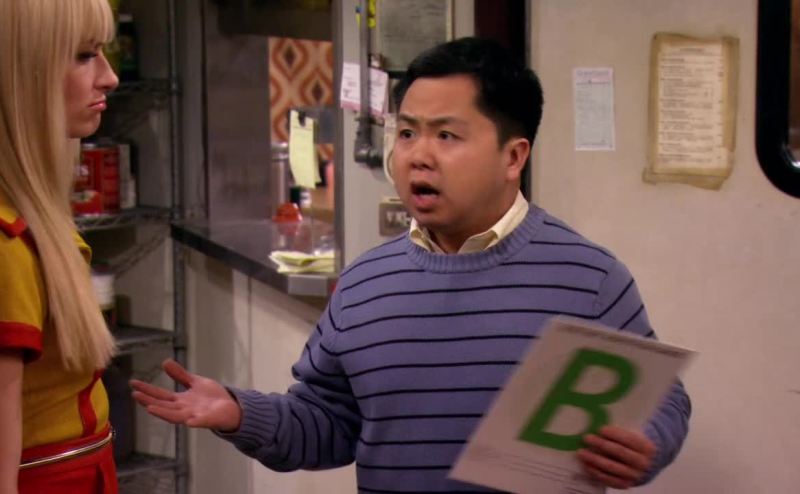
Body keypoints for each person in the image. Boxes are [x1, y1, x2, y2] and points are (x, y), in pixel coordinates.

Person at [131, 37, 691, 492]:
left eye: (446, 135)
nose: (418, 155)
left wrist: (646, 444)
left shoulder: (587, 277)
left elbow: (661, 402)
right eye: (406, 133)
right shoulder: (365, 284)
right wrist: (238, 413)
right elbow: (328, 424)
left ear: (513, 156)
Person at [0, 1, 120, 492]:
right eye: (83, 55)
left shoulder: (30, 217)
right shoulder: (7, 245)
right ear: (21, 74)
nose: (109, 77)